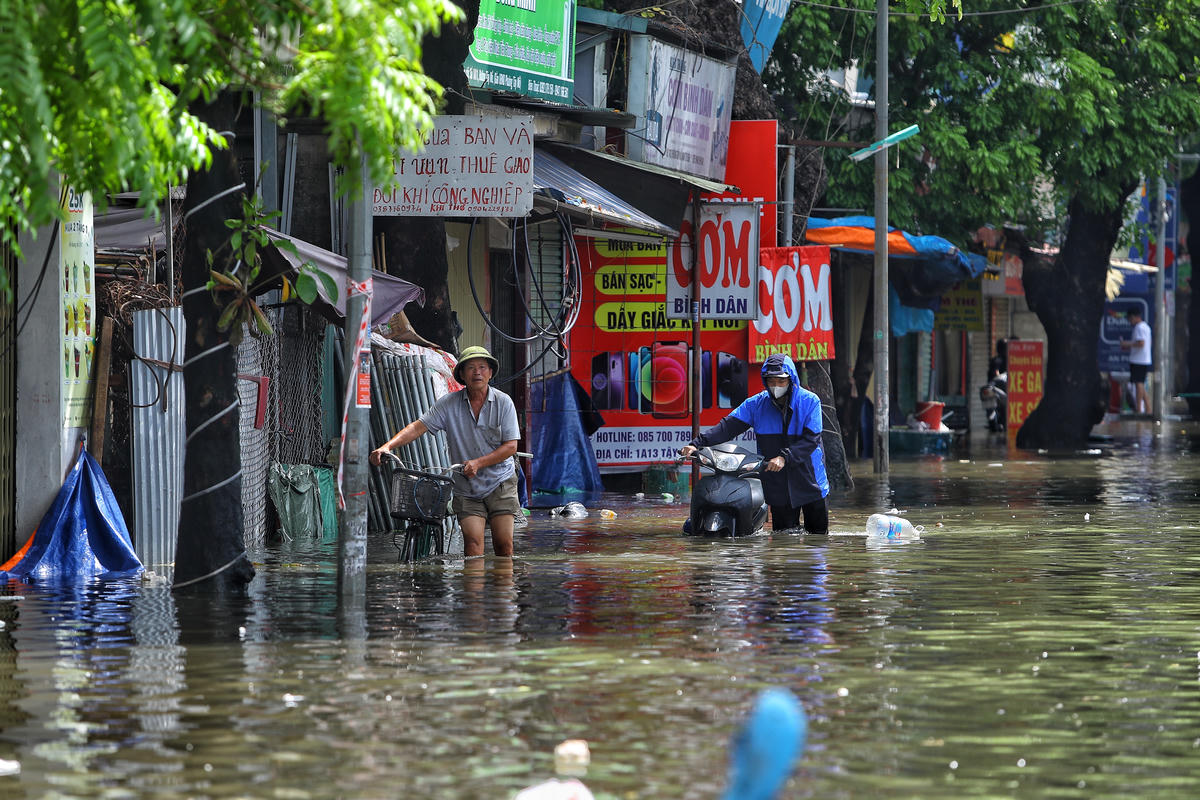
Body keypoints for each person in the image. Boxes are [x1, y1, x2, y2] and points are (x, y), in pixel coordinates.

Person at [370, 345, 521, 557]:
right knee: (473, 545)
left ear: (490, 372)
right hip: (467, 487)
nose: (477, 372)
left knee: (504, 546)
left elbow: (511, 446)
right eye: (470, 368)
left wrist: (478, 463)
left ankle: (503, 591)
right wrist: (388, 446)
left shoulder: (504, 403)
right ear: (461, 374)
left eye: (482, 367)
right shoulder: (449, 404)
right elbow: (418, 426)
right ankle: (473, 591)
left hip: (501, 482)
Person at [679, 353, 830, 533]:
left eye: (781, 381)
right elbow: (727, 427)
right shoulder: (756, 404)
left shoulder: (810, 401)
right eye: (771, 381)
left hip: (810, 478)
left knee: (818, 540)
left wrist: (784, 458)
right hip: (777, 481)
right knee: (783, 540)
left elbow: (811, 440)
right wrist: (697, 443)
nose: (776, 386)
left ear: (791, 380)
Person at [1121, 308, 1152, 414]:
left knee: (1139, 384)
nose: (1130, 322)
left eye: (1130, 319)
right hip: (1143, 359)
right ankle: (1148, 407)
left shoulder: (1139, 328)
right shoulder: (1146, 327)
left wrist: (1127, 344)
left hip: (1138, 360)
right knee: (1141, 384)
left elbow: (1141, 343)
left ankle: (1139, 408)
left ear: (1134, 317)